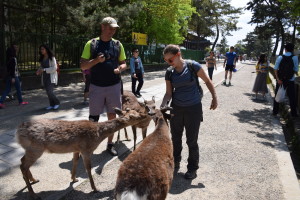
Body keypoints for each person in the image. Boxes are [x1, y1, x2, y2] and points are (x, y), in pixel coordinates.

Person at [160, 44, 218, 179]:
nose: (168, 63)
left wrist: (215, 97)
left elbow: (208, 81)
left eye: (170, 60)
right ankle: (176, 161)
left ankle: (192, 168)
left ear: (178, 55)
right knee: (176, 139)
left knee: (191, 141)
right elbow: (168, 93)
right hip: (176, 108)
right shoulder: (170, 72)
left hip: (193, 109)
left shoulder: (193, 66)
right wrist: (163, 105)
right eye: (166, 60)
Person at [80, 17, 127, 156]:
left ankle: (110, 144)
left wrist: (120, 68)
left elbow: (124, 63)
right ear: (103, 27)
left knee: (112, 117)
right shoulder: (92, 44)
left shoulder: (118, 44)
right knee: (93, 118)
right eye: (110, 28)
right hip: (96, 86)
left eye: (114, 28)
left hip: (114, 85)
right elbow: (83, 66)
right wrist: (96, 60)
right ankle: (89, 145)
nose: (113, 31)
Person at [273, 43, 299, 117]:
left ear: (285, 49)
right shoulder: (295, 58)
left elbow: (275, 69)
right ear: (292, 50)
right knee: (292, 97)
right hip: (290, 80)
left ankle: (275, 112)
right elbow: (296, 69)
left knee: (277, 95)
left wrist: (278, 79)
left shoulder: (280, 57)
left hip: (280, 80)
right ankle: (294, 114)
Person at [36, 44, 60, 110]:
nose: (41, 50)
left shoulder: (51, 58)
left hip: (51, 76)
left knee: (50, 91)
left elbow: (54, 68)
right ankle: (52, 105)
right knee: (47, 91)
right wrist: (39, 70)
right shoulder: (42, 58)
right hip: (45, 76)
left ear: (46, 49)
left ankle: (57, 103)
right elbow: (42, 66)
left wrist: (44, 70)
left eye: (43, 49)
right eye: (41, 49)